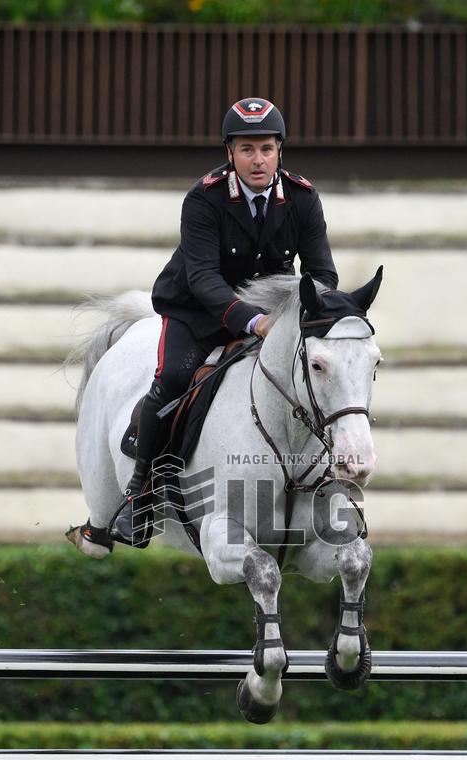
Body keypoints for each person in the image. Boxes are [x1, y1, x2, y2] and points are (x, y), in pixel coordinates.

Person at [113, 97, 338, 545]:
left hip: (273, 317)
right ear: (230, 153)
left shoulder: (303, 198)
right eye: (247, 149)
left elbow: (323, 274)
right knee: (174, 378)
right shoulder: (204, 198)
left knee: (321, 376)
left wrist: (305, 317)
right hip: (197, 310)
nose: (258, 160)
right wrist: (253, 322)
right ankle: (139, 496)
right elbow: (201, 277)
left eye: (267, 149)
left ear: (280, 151)